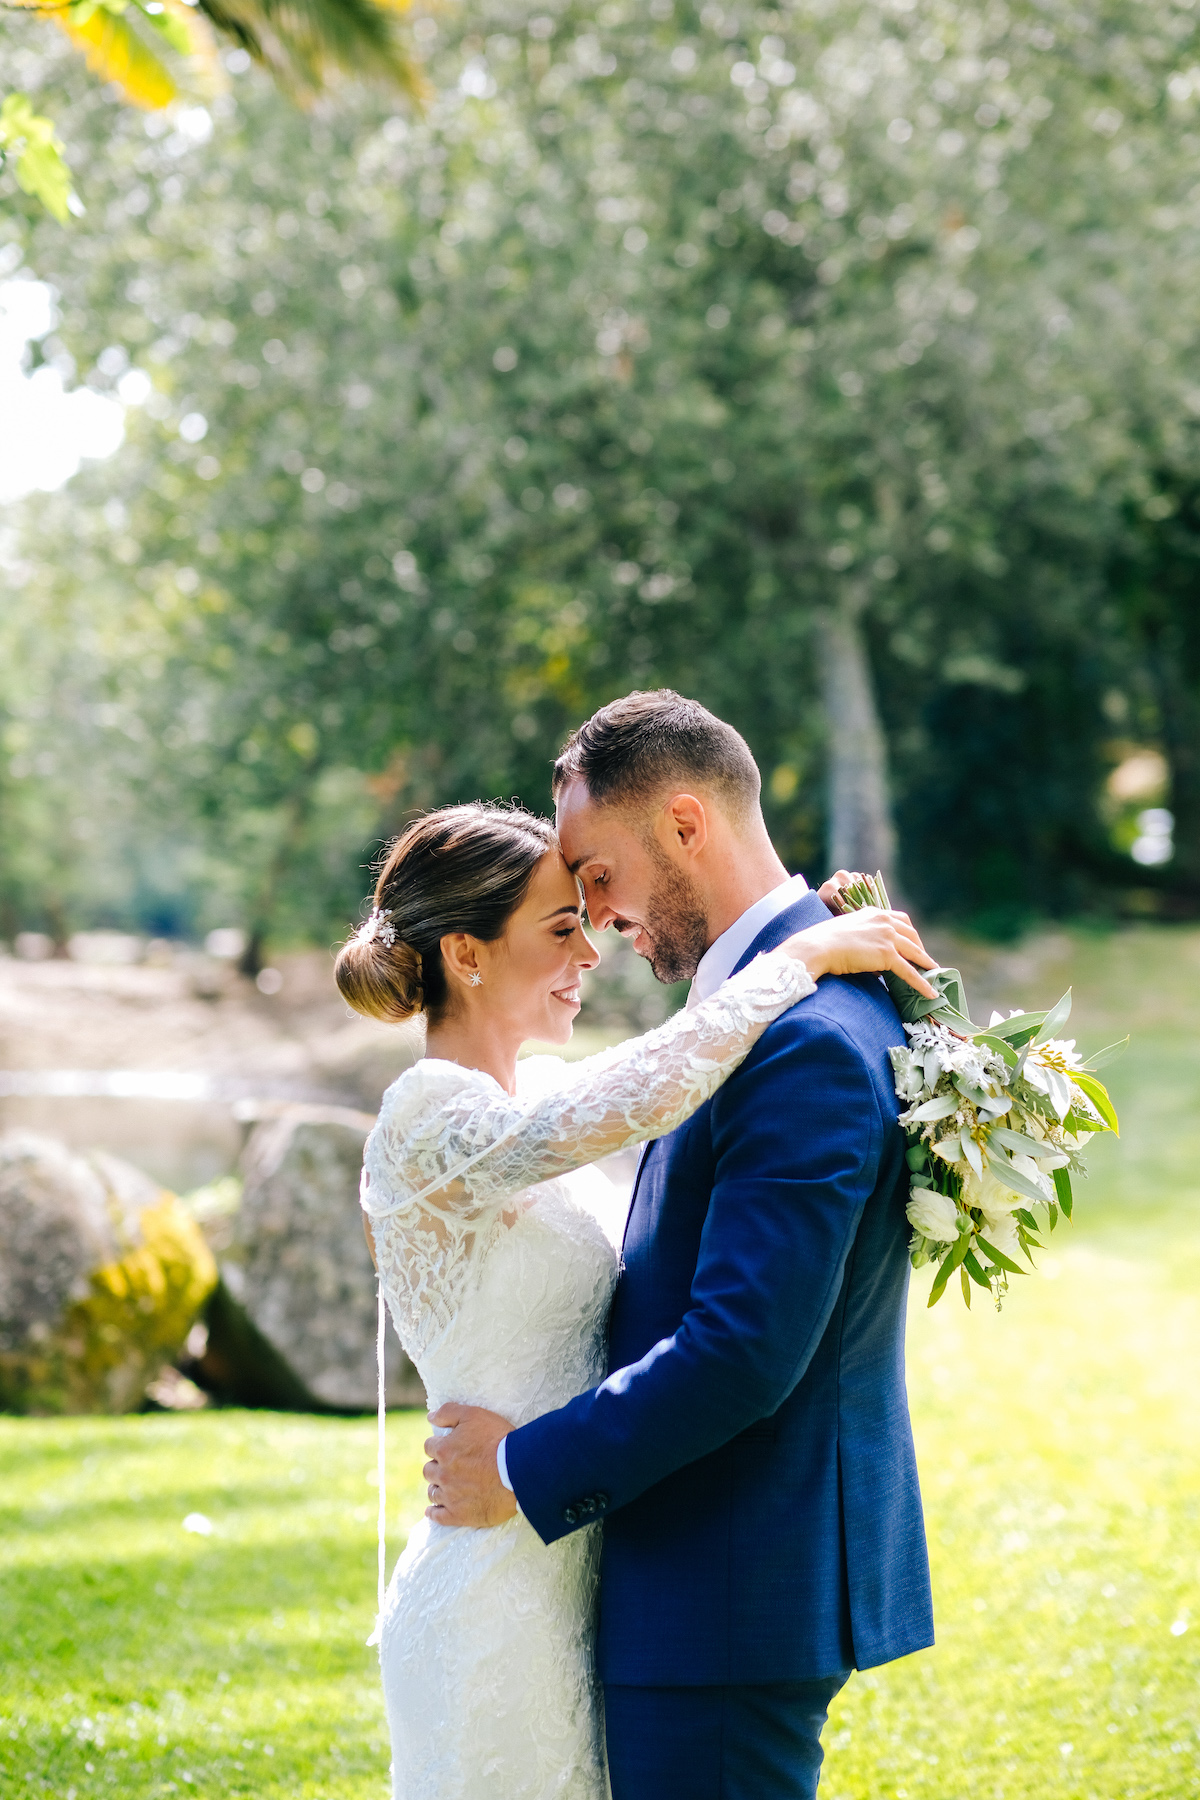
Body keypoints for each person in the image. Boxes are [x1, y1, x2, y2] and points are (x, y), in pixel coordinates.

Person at [335, 786, 936, 1800]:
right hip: (494, 1575)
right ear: (466, 955)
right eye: (563, 924)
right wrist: (794, 959)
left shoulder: (524, 1119)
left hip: (575, 1564)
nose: (591, 950)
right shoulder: (430, 1121)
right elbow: (652, 1085)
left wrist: (808, 943)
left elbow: (676, 1153)